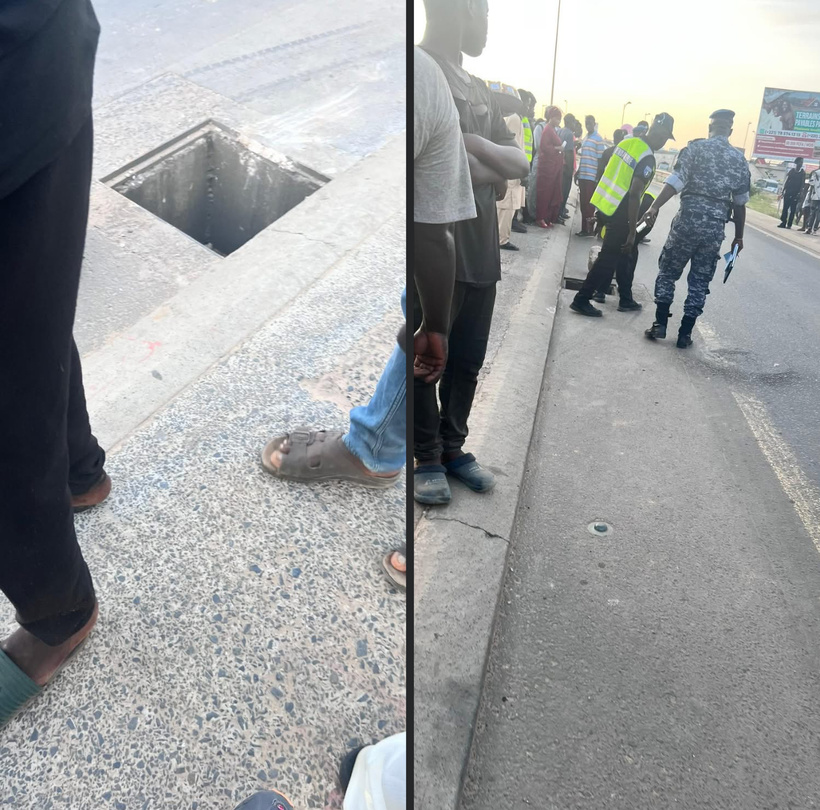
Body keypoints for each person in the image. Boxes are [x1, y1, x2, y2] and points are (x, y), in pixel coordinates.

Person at [0, 0, 112, 727]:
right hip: (41, 48)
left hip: (21, 76)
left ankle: (59, 609)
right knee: (29, 307)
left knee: (12, 373)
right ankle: (81, 472)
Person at [415, 0, 529, 505]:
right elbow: (431, 169)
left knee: (467, 360)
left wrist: (472, 143)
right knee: (427, 353)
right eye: (484, 10)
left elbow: (518, 164)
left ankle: (455, 447)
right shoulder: (418, 73)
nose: (487, 25)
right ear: (459, 7)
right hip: (434, 246)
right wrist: (488, 168)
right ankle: (428, 455)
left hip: (481, 247)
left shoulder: (480, 88)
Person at [642, 109, 751, 348]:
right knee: (700, 281)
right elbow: (740, 203)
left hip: (687, 222)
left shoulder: (695, 149)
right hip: (713, 230)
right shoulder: (739, 160)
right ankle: (685, 334)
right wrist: (738, 238)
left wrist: (654, 206)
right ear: (730, 131)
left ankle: (660, 324)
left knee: (668, 271)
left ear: (709, 128)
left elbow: (676, 181)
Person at [569, 113, 676, 317]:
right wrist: (632, 229)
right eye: (664, 137)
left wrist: (601, 213)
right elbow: (635, 194)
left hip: (607, 205)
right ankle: (582, 298)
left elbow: (610, 172)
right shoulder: (647, 157)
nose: (663, 141)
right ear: (658, 134)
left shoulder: (628, 143)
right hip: (622, 212)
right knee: (609, 257)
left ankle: (625, 298)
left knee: (625, 253)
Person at [492, 83, 527, 252]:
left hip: (513, 168)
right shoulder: (514, 119)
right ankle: (502, 239)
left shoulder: (514, 118)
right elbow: (512, 146)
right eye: (528, 103)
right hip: (512, 170)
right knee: (507, 206)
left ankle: (500, 237)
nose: (530, 107)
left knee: (507, 206)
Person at [575, 115, 606, 237]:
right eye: (586, 123)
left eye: (590, 123)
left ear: (594, 123)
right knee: (583, 203)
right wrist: (578, 172)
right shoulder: (586, 137)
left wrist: (597, 177)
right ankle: (584, 228)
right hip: (583, 174)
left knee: (589, 204)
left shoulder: (598, 139)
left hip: (591, 176)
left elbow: (600, 160)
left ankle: (589, 229)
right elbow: (583, 157)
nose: (588, 125)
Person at [535, 106, 566, 228]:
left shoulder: (553, 130)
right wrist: (558, 149)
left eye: (559, 119)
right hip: (547, 168)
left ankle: (548, 217)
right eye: (556, 118)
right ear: (551, 118)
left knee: (553, 192)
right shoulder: (547, 130)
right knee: (544, 193)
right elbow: (544, 147)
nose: (558, 121)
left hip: (554, 167)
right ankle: (540, 217)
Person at [557, 113, 578, 220]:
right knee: (564, 191)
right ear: (570, 122)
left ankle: (559, 212)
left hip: (560, 165)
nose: (575, 124)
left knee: (559, 191)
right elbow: (569, 152)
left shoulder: (560, 131)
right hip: (566, 167)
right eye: (574, 121)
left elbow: (563, 146)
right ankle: (560, 213)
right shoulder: (569, 134)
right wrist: (570, 169)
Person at [778, 157, 805, 229]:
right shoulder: (792, 171)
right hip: (788, 192)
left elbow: (802, 184)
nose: (801, 163)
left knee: (793, 210)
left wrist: (800, 193)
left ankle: (789, 224)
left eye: (802, 162)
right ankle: (783, 222)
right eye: (800, 162)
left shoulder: (802, 173)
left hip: (796, 194)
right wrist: (783, 191)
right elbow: (787, 181)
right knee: (785, 208)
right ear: (796, 163)